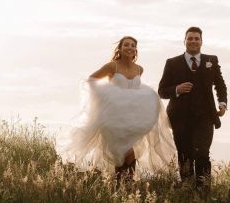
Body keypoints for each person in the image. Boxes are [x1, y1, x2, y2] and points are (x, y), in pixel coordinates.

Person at [58, 36, 177, 184]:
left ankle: (125, 186)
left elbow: (135, 89)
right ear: (120, 49)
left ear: (136, 50)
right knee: (121, 151)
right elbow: (91, 80)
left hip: (132, 118)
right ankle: (122, 184)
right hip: (114, 118)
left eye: (133, 45)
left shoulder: (139, 69)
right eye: (126, 45)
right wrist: (106, 96)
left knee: (129, 151)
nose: (129, 47)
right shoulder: (112, 66)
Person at [158, 27, 227, 191]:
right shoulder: (172, 63)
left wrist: (222, 103)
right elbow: (162, 91)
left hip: (205, 116)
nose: (193, 41)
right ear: (185, 41)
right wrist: (177, 89)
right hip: (180, 117)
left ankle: (203, 191)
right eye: (190, 38)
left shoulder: (212, 60)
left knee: (202, 152)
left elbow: (220, 85)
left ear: (201, 41)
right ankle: (187, 189)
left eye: (197, 38)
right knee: (185, 154)